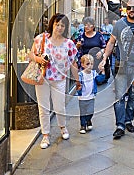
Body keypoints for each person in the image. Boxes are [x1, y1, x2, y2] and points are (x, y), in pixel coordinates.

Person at [99, 0, 134, 139]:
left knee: (133, 95)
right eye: (129, 7)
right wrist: (105, 57)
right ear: (126, 9)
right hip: (121, 66)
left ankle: (128, 120)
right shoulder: (120, 25)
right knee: (119, 96)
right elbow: (111, 43)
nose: (131, 10)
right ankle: (120, 125)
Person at [29, 13, 79, 149]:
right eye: (57, 24)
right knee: (43, 107)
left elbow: (74, 62)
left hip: (59, 80)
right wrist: (38, 59)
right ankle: (45, 135)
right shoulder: (42, 38)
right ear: (52, 24)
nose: (60, 27)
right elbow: (31, 54)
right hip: (42, 78)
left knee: (59, 107)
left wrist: (78, 80)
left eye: (63, 25)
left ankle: (63, 127)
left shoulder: (69, 44)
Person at [76, 54, 98, 134]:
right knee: (83, 112)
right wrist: (78, 88)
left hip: (91, 96)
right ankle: (83, 125)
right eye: (88, 64)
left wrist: (103, 72)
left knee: (91, 111)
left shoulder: (94, 73)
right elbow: (78, 84)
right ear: (82, 65)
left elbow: (99, 80)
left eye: (91, 64)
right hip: (82, 97)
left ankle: (88, 120)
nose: (90, 66)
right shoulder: (80, 74)